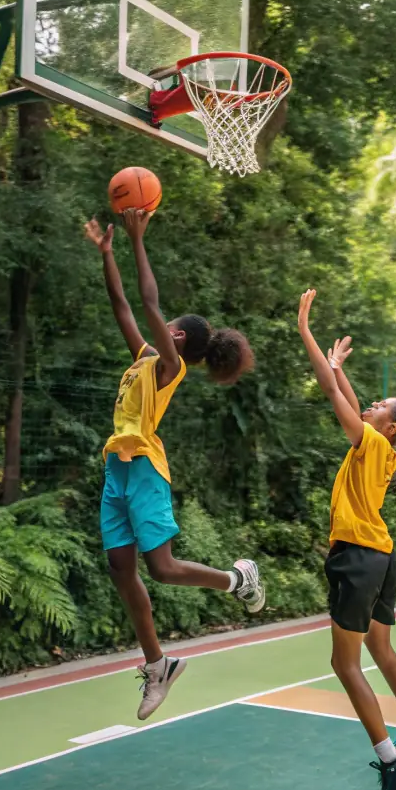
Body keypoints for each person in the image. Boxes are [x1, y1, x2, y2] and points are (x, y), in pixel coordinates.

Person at [85, 210, 262, 721]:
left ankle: (237, 579)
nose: (163, 324)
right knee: (121, 567)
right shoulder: (143, 356)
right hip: (116, 468)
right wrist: (107, 254)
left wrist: (138, 240)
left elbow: (147, 301)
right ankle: (157, 665)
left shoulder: (170, 365)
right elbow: (122, 303)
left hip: (143, 467)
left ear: (179, 338)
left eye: (170, 326)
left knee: (160, 569)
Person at [296, 288, 396, 790]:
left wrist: (308, 334)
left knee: (347, 665)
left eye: (378, 405)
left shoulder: (372, 440)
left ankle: (392, 759)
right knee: (381, 649)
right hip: (382, 557)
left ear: (390, 427)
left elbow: (332, 393)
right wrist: (340, 365)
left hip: (356, 558)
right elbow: (348, 394)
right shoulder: (381, 445)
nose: (368, 403)